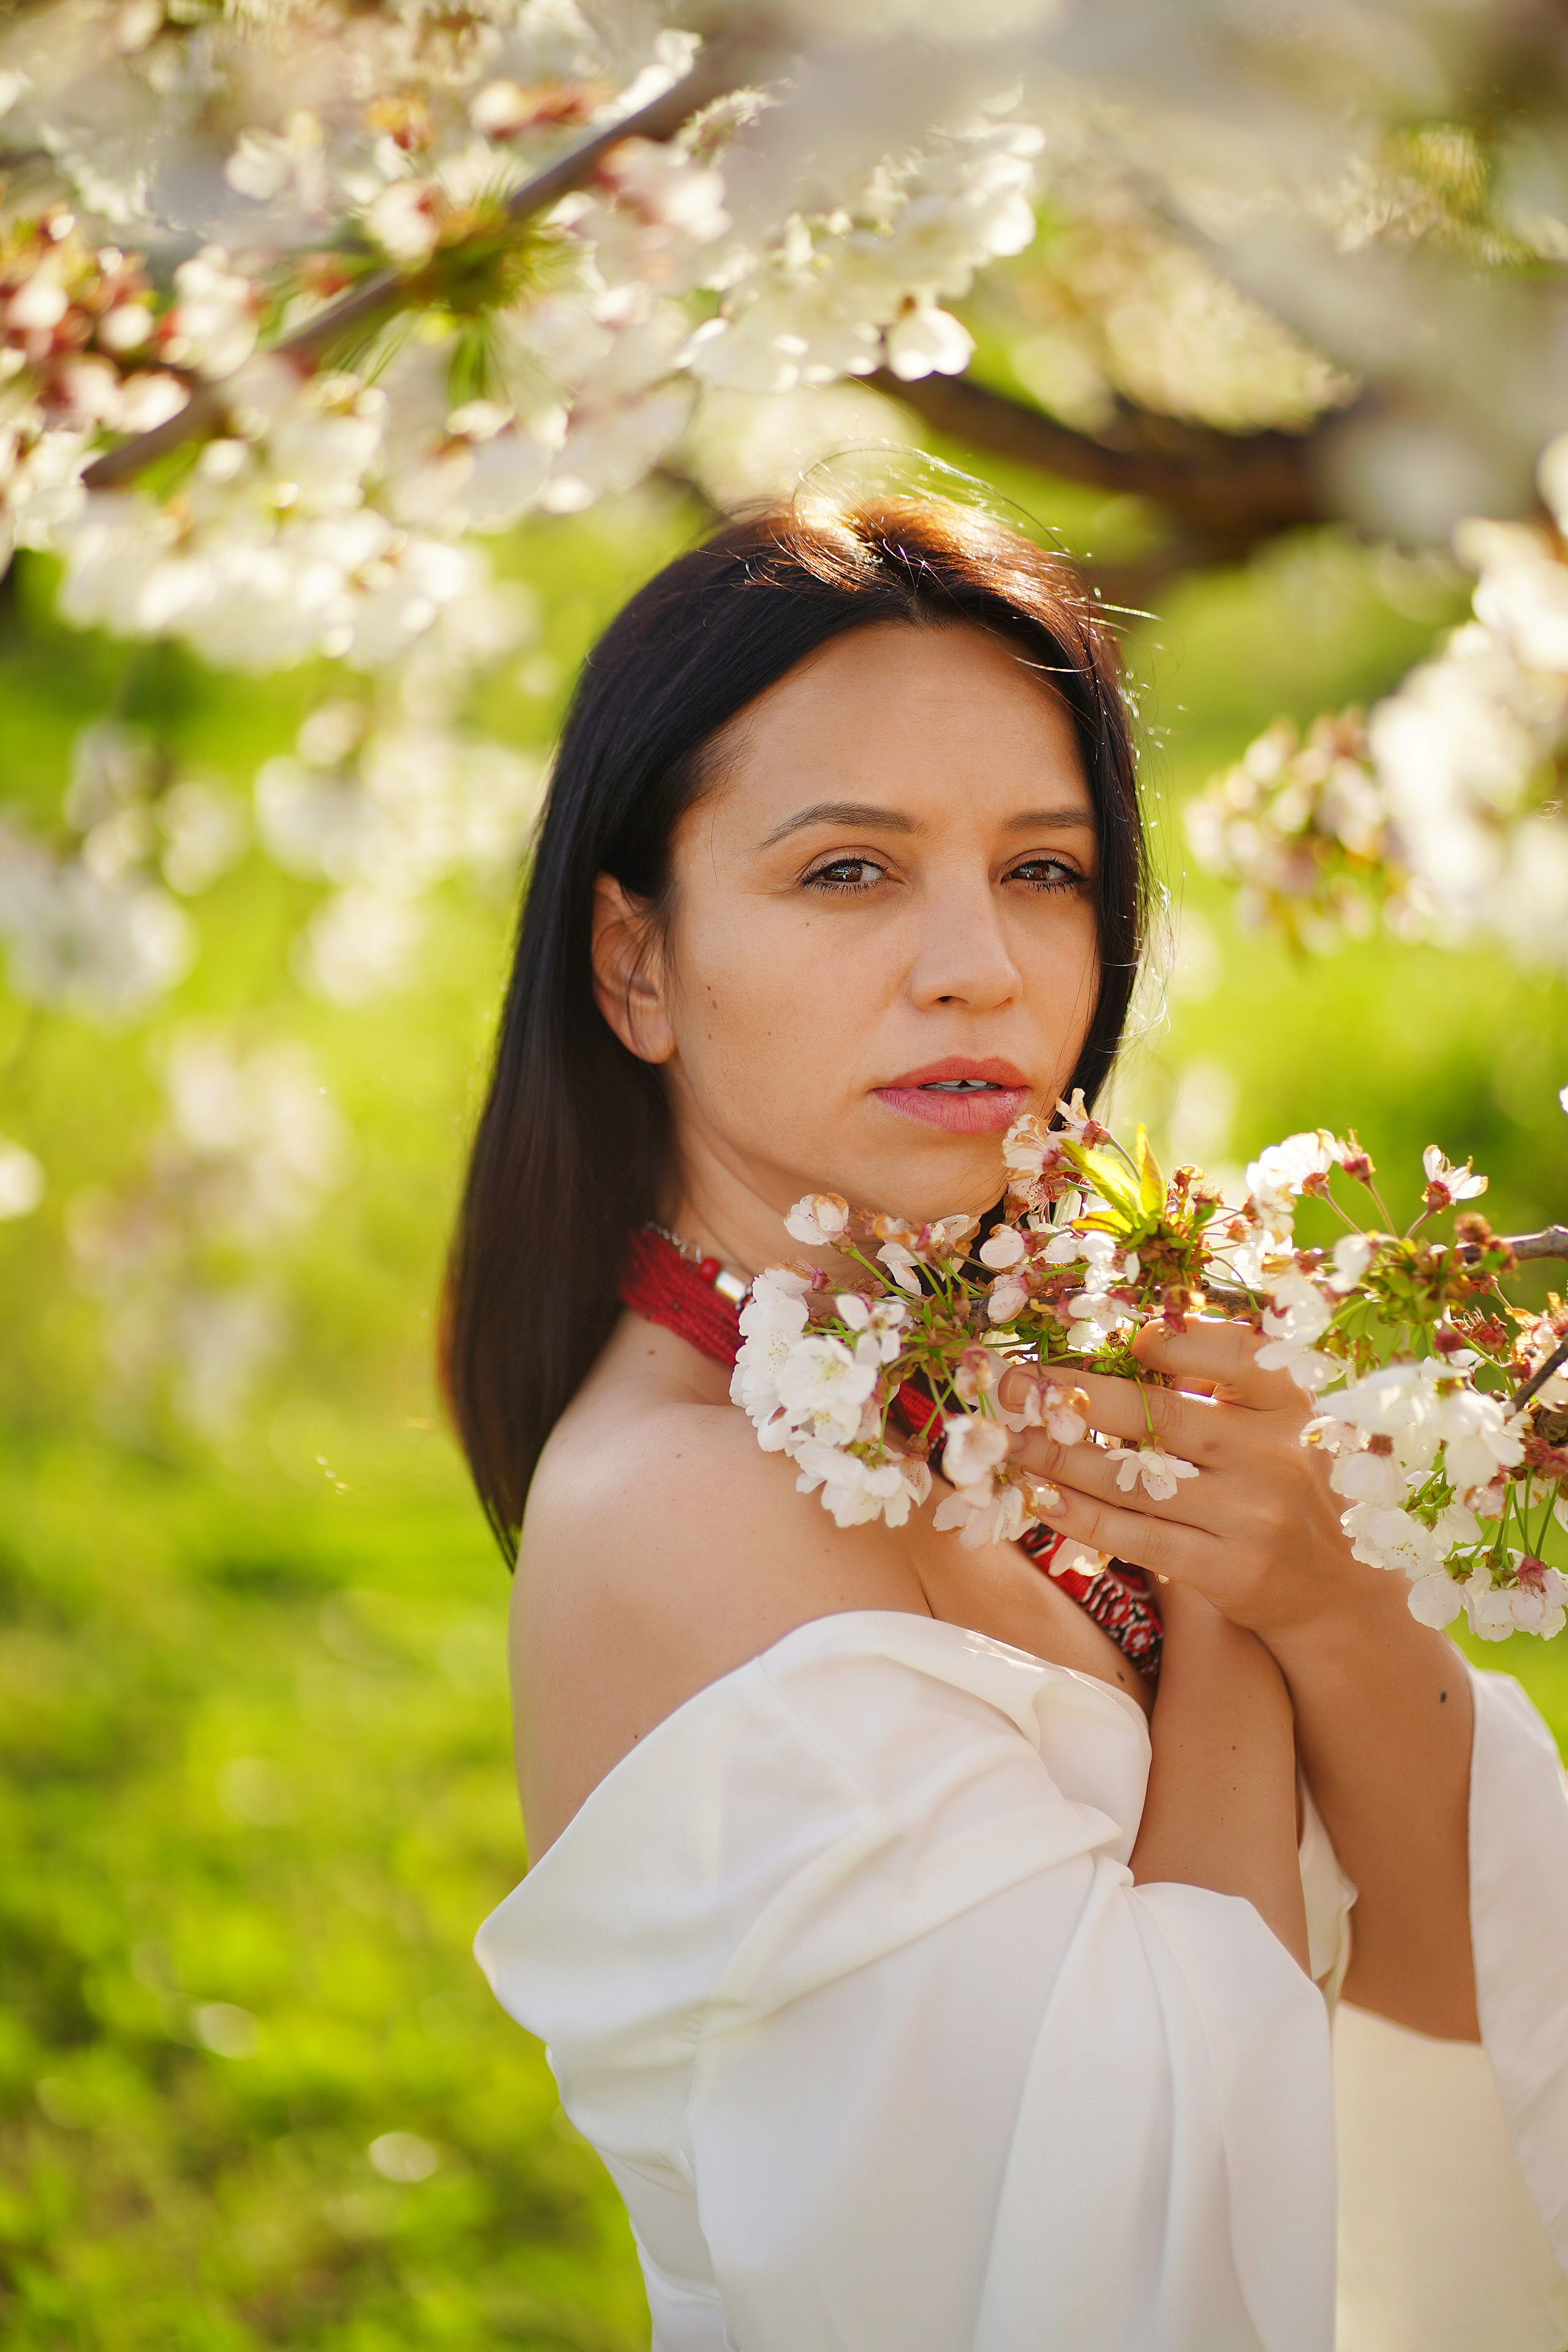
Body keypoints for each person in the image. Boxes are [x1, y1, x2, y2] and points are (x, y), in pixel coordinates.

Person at [448, 496, 1568, 2351]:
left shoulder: (1040, 1347)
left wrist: (1320, 1588)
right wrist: (1235, 1603)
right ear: (636, 962)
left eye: (1044, 871)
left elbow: (1501, 1913)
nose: (980, 964)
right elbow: (1137, 2248)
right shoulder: (680, 1508)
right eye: (848, 873)